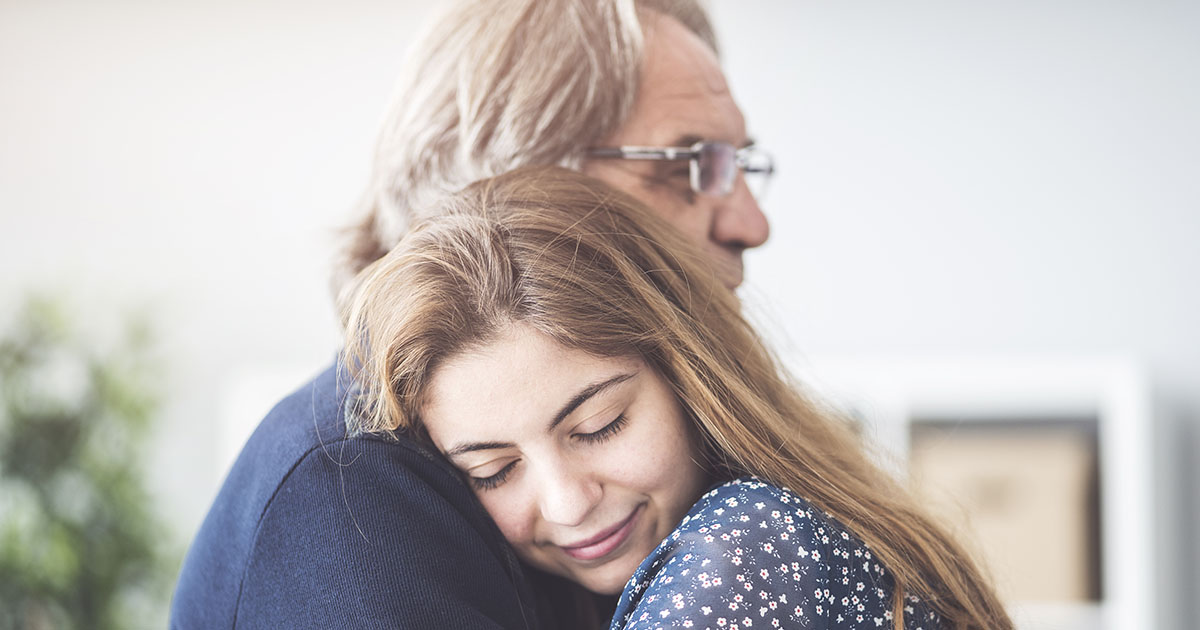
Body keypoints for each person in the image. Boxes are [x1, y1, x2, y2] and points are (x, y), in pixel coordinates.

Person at [171, 1, 770, 628]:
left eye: (738, 162)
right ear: (518, 192)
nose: (751, 224)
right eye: (688, 167)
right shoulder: (353, 497)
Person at [341, 167, 1013, 630]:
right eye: (494, 470)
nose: (568, 502)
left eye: (599, 426)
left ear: (689, 372)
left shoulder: (744, 552)